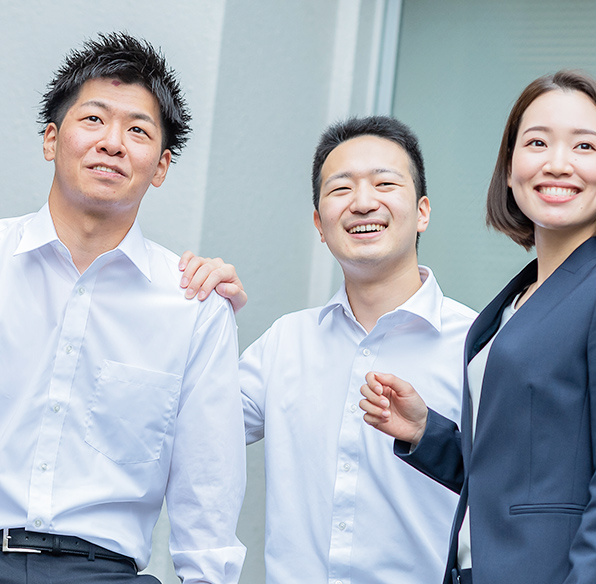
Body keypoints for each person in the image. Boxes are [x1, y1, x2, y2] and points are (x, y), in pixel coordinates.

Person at [0, 32, 246, 584]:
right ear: (51, 139)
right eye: (93, 119)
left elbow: (208, 488)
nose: (112, 143)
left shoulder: (193, 305)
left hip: (103, 571)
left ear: (160, 167)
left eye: (137, 130)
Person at [359, 70, 596, 584]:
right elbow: (515, 480)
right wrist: (426, 433)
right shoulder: (511, 304)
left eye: (585, 146)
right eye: (537, 143)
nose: (558, 163)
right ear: (510, 170)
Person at [182, 116, 473, 584]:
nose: (363, 202)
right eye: (341, 189)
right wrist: (196, 314)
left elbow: (512, 491)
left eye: (384, 183)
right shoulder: (286, 342)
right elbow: (185, 422)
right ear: (319, 224)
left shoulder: (476, 346)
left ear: (422, 212)